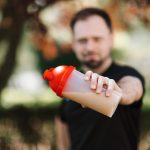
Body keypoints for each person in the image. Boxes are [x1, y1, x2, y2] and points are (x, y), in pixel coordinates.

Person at [55, 7, 145, 150]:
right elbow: (64, 141)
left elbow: (132, 89)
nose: (90, 47)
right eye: (82, 40)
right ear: (73, 44)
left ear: (111, 39)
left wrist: (118, 94)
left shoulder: (128, 75)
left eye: (97, 39)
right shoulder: (68, 87)